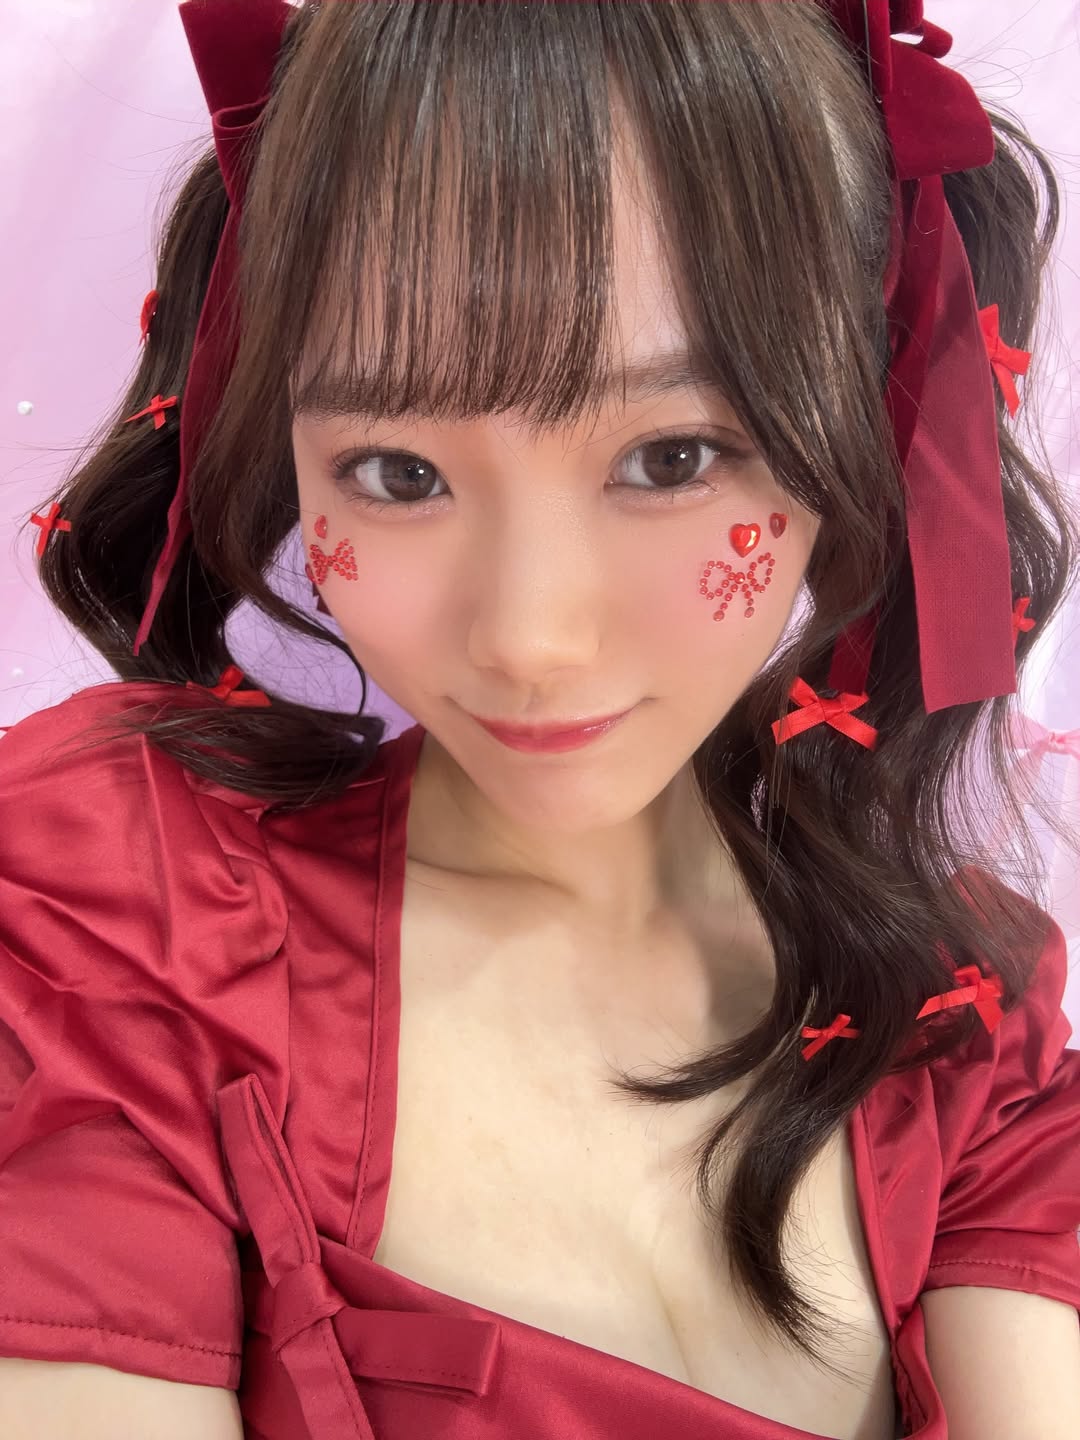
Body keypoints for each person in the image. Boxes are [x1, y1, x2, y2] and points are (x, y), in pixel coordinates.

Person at [2, 2, 1079, 1438]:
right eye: (396, 472)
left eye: (671, 456)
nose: (528, 639)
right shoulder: (118, 926)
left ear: (866, 419)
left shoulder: (958, 1023)